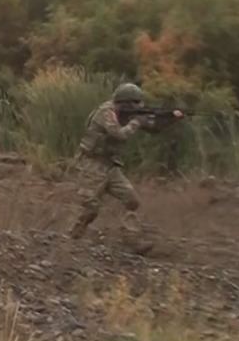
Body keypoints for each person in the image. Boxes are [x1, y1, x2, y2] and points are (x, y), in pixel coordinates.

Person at [68, 83, 184, 249]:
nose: (140, 106)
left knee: (131, 200)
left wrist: (171, 118)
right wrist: (137, 121)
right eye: (136, 103)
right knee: (90, 208)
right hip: (91, 164)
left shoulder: (129, 114)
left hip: (110, 165)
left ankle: (133, 240)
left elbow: (153, 128)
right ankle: (70, 239)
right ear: (125, 103)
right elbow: (119, 134)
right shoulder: (105, 112)